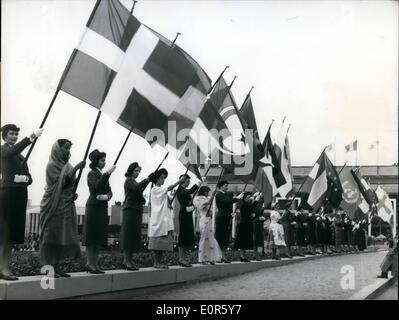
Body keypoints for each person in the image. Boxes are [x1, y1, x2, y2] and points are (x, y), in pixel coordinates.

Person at [0, 124, 43, 280]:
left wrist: (25, 179)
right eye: (11, 134)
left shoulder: (21, 156)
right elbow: (11, 151)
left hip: (19, 195)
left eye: (17, 134)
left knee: (11, 235)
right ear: (4, 136)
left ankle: (5, 267)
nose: (15, 136)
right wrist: (31, 137)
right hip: (8, 194)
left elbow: (29, 177)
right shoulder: (3, 149)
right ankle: (3, 268)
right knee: (5, 234)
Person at [39, 139, 86, 278]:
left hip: (66, 203)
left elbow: (69, 186)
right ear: (58, 149)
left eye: (69, 148)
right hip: (53, 204)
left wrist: (73, 194)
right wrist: (77, 168)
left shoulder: (68, 165)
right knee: (51, 235)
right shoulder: (51, 165)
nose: (68, 151)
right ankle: (48, 268)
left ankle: (57, 266)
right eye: (65, 148)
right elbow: (62, 183)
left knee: (62, 236)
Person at [83, 149, 115, 274]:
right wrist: (107, 174)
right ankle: (90, 263)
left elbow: (110, 190)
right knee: (92, 237)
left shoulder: (101, 174)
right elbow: (96, 188)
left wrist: (107, 196)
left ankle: (95, 263)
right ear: (96, 161)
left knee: (98, 237)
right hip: (93, 206)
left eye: (104, 160)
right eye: (102, 160)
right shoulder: (92, 173)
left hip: (101, 206)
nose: (104, 162)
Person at [148, 169, 185, 269]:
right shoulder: (155, 189)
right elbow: (169, 188)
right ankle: (156, 262)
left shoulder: (161, 190)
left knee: (162, 243)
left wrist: (168, 204)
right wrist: (179, 181)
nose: (163, 180)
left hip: (163, 219)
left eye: (164, 178)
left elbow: (165, 201)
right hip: (158, 218)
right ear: (156, 179)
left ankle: (159, 262)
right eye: (161, 178)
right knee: (157, 242)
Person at [120, 162, 150, 270]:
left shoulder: (134, 182)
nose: (137, 173)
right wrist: (147, 179)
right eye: (136, 171)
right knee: (129, 236)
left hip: (136, 210)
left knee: (133, 236)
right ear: (131, 171)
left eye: (139, 171)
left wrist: (147, 181)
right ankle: (127, 261)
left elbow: (138, 189)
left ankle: (128, 261)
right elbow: (137, 188)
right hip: (130, 210)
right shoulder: (129, 181)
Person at [215, 180, 243, 263]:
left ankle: (223, 256)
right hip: (221, 218)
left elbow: (228, 204)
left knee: (225, 238)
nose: (227, 187)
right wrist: (236, 199)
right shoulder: (219, 194)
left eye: (227, 186)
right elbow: (226, 202)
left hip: (227, 217)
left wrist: (231, 212)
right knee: (220, 237)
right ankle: (218, 256)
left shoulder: (226, 194)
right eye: (225, 186)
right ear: (220, 187)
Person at [193, 186, 222, 265]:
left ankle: (210, 258)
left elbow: (210, 207)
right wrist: (211, 197)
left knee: (210, 238)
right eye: (207, 192)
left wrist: (211, 212)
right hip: (203, 219)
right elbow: (201, 206)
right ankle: (202, 259)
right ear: (203, 191)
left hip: (209, 220)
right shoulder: (197, 199)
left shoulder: (207, 198)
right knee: (203, 238)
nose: (207, 193)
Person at [176, 174, 199, 267]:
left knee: (187, 237)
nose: (188, 183)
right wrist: (197, 185)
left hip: (188, 214)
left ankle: (184, 258)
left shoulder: (185, 190)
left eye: (189, 181)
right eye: (187, 181)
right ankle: (181, 258)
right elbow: (187, 193)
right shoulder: (180, 189)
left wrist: (193, 207)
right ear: (182, 181)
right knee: (183, 236)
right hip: (183, 214)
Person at [235, 192, 259, 262]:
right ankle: (242, 256)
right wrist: (256, 201)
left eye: (250, 197)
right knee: (243, 241)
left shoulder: (247, 204)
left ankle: (244, 255)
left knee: (245, 241)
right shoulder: (244, 205)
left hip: (248, 224)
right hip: (244, 225)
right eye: (248, 197)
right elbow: (251, 209)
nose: (249, 199)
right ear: (244, 198)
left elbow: (251, 211)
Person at [252, 195, 266, 260]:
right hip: (256, 224)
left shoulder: (259, 205)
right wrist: (263, 208)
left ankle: (259, 253)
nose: (262, 200)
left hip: (259, 223)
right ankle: (255, 254)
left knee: (259, 239)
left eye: (262, 199)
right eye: (261, 199)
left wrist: (263, 218)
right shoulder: (256, 205)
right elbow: (258, 212)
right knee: (256, 239)